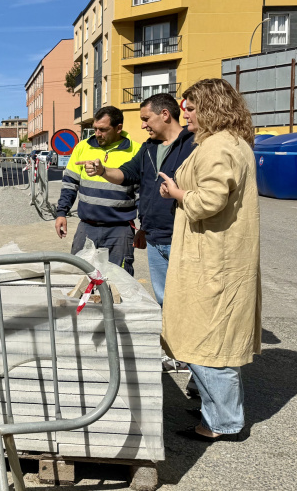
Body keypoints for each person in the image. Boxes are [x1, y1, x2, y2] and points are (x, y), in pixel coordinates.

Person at [157, 78, 262, 442]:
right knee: (209, 337)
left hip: (213, 258)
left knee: (209, 342)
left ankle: (223, 423)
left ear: (210, 108)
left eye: (190, 106)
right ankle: (214, 409)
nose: (184, 112)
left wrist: (177, 192)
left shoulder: (218, 146)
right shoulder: (231, 143)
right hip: (218, 254)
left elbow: (209, 201)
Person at [76, 94, 197, 375]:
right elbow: (129, 175)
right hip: (155, 238)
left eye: (146, 119)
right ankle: (178, 355)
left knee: (188, 302)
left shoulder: (193, 145)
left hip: (184, 236)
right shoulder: (149, 148)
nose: (143, 125)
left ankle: (196, 364)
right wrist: (103, 170)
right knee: (165, 300)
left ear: (165, 115)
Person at [55, 106, 141, 275]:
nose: (97, 134)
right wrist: (61, 213)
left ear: (118, 128)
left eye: (103, 129)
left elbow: (142, 193)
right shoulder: (82, 147)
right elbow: (69, 184)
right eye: (95, 129)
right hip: (87, 227)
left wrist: (144, 226)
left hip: (120, 229)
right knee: (79, 275)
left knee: (118, 281)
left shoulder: (136, 151)